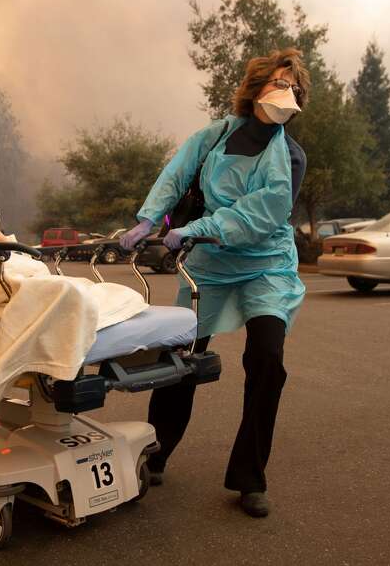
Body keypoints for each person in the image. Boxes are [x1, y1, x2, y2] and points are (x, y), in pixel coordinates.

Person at [120, 48, 310, 518]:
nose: (286, 94)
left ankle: (250, 477)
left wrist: (198, 229)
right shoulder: (216, 135)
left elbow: (263, 214)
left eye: (293, 87)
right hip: (210, 267)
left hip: (266, 265)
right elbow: (176, 173)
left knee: (267, 359)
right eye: (278, 83)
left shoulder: (290, 155)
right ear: (256, 88)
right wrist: (148, 220)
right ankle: (156, 452)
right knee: (179, 355)